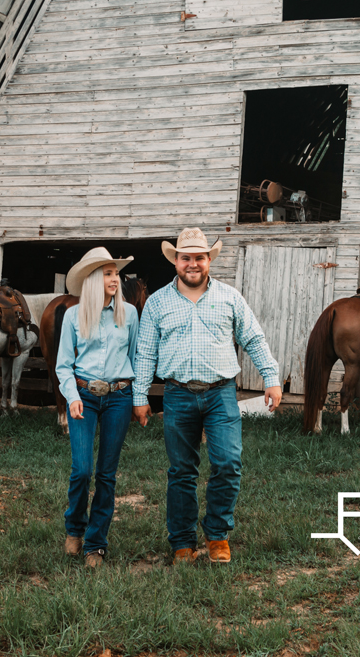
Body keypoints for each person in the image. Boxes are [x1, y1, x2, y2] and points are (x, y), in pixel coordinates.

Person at [132, 228, 282, 564]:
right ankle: (183, 542)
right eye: (186, 257)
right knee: (182, 471)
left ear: (209, 260)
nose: (193, 264)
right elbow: (144, 354)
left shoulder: (229, 298)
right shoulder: (157, 302)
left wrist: (271, 378)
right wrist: (139, 397)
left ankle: (217, 536)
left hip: (220, 394)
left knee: (228, 463)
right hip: (178, 395)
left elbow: (254, 339)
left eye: (199, 257)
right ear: (176, 261)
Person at [54, 247, 140, 568]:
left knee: (106, 474)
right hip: (83, 396)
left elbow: (133, 357)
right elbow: (63, 365)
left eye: (116, 273)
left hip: (118, 397)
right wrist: (72, 397)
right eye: (108, 273)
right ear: (92, 279)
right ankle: (74, 526)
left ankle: (96, 543)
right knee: (82, 470)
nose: (115, 279)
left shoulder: (129, 314)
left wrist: (137, 396)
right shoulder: (74, 316)